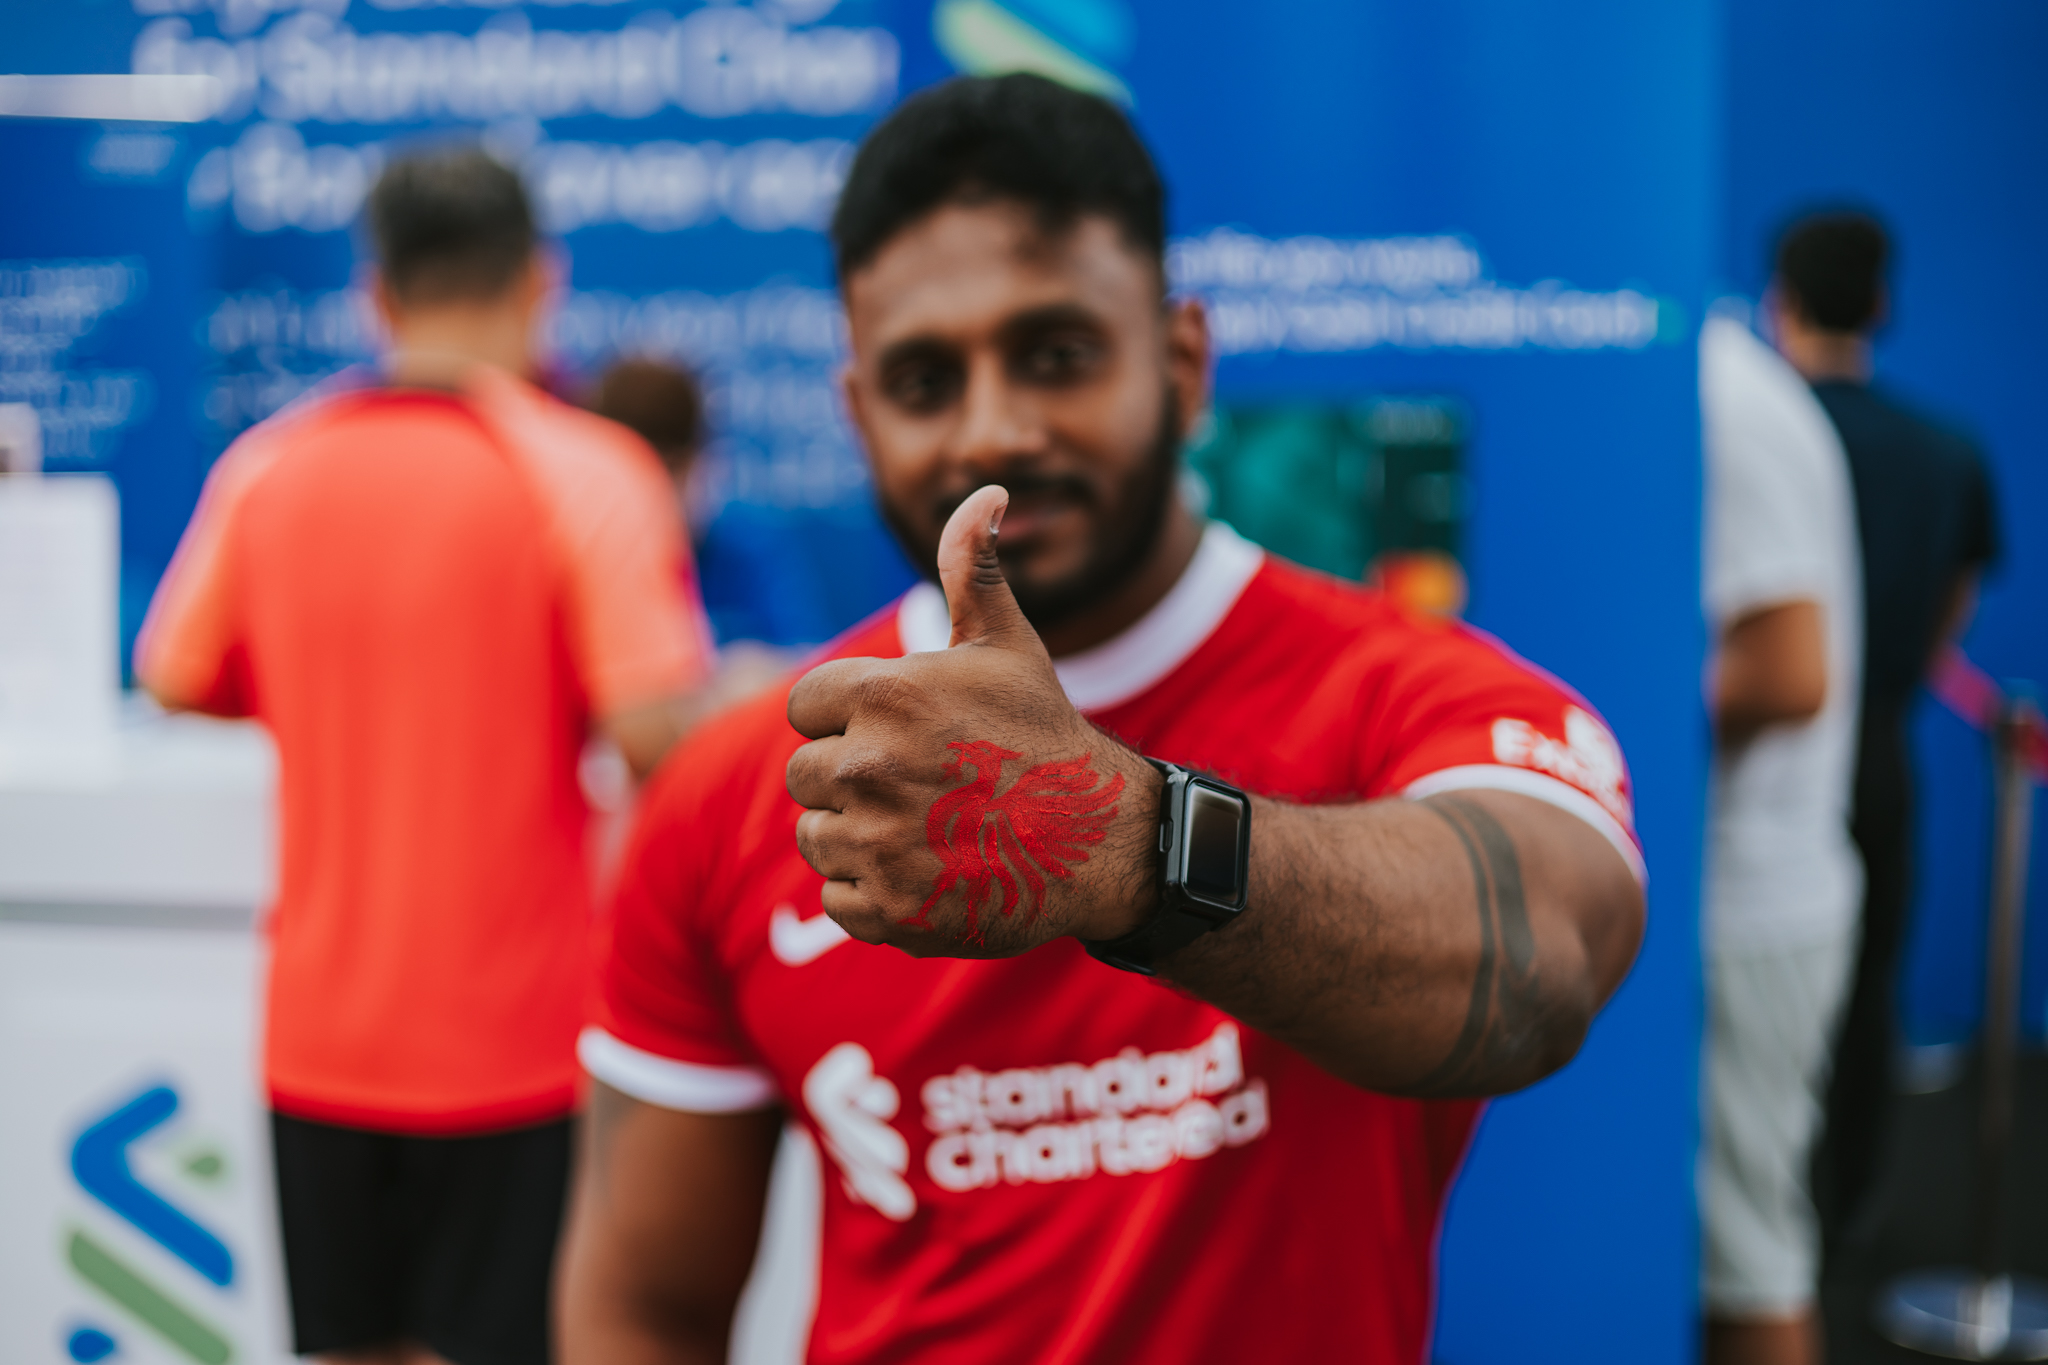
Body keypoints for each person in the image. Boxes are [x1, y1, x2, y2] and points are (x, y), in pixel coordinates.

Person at [557, 74, 1647, 1365]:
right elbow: (643, 1308)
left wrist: (1128, 846)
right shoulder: (749, 786)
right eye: (922, 379)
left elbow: (1538, 964)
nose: (996, 429)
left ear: (1183, 365)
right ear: (858, 415)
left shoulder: (1410, 692)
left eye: (1058, 353)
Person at [136, 148, 714, 1365]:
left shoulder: (268, 469)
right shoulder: (590, 474)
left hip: (317, 1041)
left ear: (376, 295)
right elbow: (655, 732)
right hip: (516, 1051)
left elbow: (175, 675)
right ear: (537, 284)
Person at [1766, 211, 2002, 1251]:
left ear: (1778, 302)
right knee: (1864, 993)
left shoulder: (1754, 443)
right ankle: (1840, 1215)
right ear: (1877, 303)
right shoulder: (1947, 456)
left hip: (1754, 775)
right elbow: (1953, 603)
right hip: (1877, 756)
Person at [1696, 310, 1864, 1365]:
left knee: (1744, 1270)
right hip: (1736, 895)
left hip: (1746, 903)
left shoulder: (1718, 401)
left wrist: (1583, 726)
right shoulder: (1729, 381)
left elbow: (1788, 669)